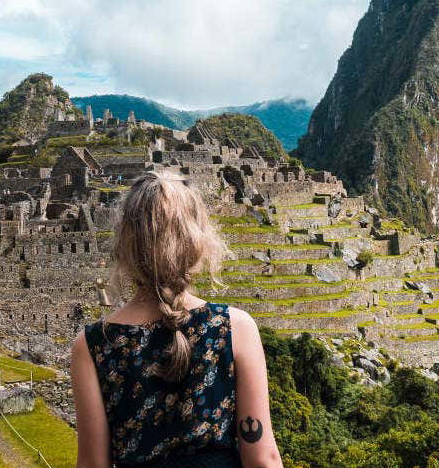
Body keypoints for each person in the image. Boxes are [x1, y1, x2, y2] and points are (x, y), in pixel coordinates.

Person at [70, 171, 282, 468]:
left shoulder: (93, 345)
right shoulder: (233, 327)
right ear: (196, 241)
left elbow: (93, 464)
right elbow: (262, 458)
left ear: (125, 244)